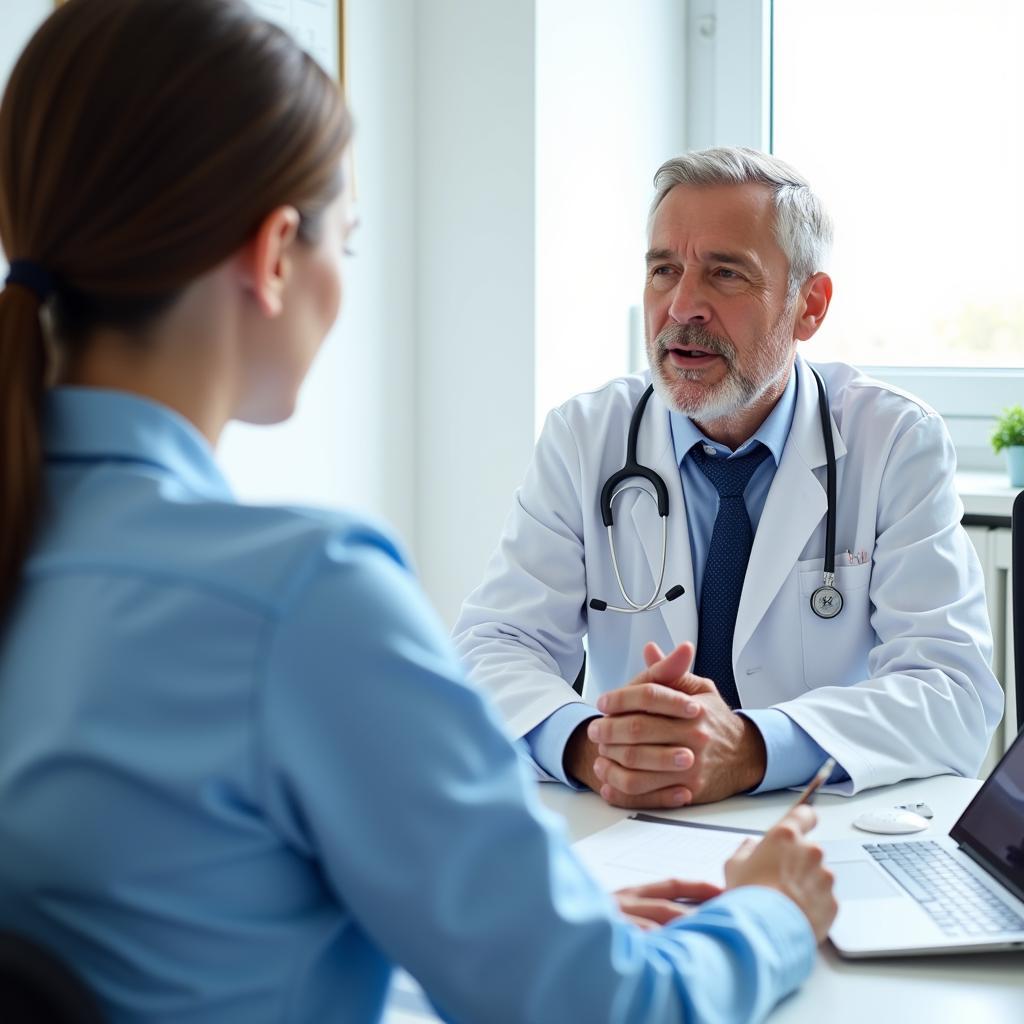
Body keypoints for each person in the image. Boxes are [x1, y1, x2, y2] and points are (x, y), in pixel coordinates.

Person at [0, 2, 836, 1021]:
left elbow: (185, 943)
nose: (679, 303)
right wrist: (769, 913)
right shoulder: (301, 595)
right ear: (273, 257)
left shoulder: (37, 546)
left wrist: (517, 925)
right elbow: (605, 1011)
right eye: (346, 243)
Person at [453, 146, 1003, 811]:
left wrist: (750, 748)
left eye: (725, 274)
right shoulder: (584, 436)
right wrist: (591, 747)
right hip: (632, 820)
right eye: (664, 270)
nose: (683, 306)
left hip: (818, 824)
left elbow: (953, 690)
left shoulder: (894, 442)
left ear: (809, 306)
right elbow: (493, 646)